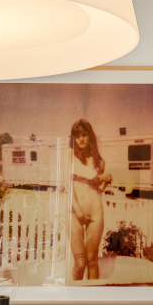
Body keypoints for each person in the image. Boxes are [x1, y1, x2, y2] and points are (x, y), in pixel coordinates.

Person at [66, 118, 111, 281]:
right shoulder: (69, 156)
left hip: (95, 214)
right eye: (77, 136)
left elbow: (98, 190)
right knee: (80, 262)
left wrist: (106, 180)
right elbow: (67, 186)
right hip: (74, 213)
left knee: (92, 261)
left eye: (84, 135)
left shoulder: (100, 161)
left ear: (89, 136)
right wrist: (78, 211)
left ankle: (94, 300)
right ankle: (74, 298)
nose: (81, 139)